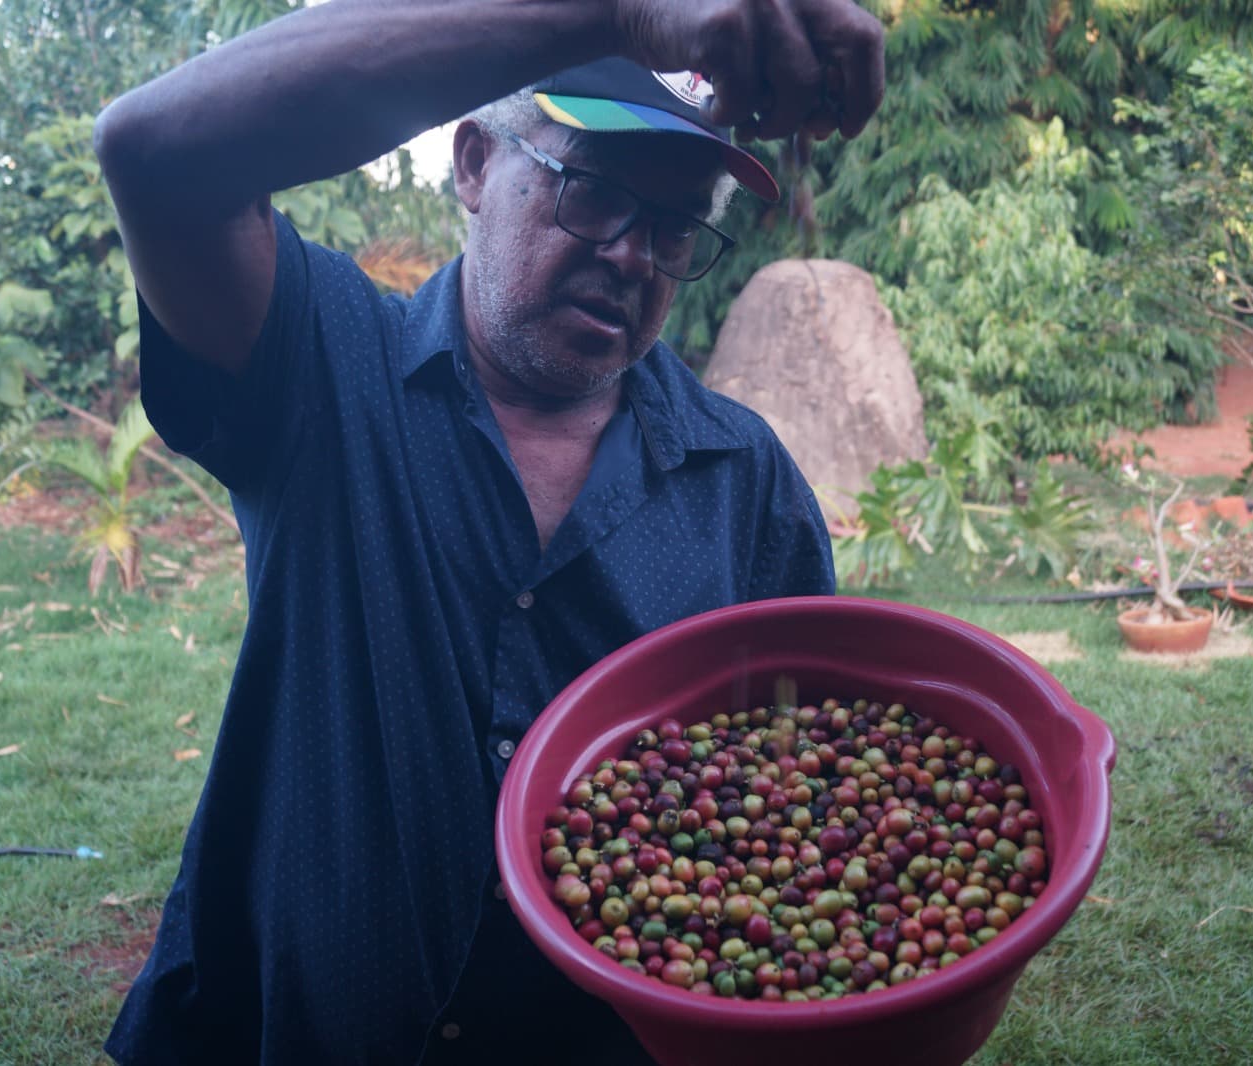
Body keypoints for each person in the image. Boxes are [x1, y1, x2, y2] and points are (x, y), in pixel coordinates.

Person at [91, 1, 885, 1062]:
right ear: (472, 164)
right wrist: (612, 14)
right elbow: (153, 151)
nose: (632, 255)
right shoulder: (326, 363)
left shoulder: (744, 481)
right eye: (592, 189)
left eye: (673, 225)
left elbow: (797, 786)